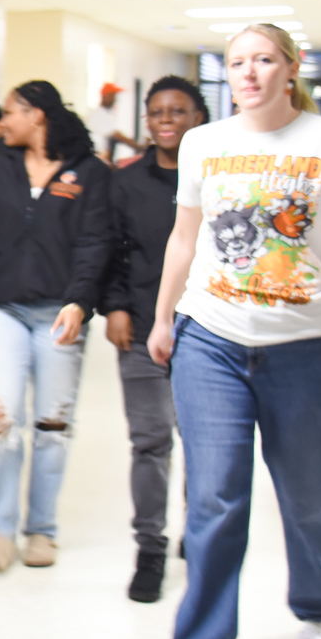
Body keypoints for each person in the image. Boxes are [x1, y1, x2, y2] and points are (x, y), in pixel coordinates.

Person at [147, 24, 321, 639]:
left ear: (290, 69)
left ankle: (316, 600)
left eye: (262, 60)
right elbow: (184, 237)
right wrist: (164, 316)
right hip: (212, 338)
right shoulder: (204, 143)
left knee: (310, 497)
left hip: (307, 342)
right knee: (216, 499)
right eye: (236, 63)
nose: (248, 72)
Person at [0, 81, 112, 572]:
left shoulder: (89, 173)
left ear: (37, 115)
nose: (2, 122)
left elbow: (95, 244)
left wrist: (81, 302)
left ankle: (41, 529)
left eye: (11, 112)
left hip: (61, 312)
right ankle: (0, 529)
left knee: (53, 426)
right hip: (3, 311)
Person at [101, 76, 208, 602]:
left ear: (198, 118)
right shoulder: (126, 182)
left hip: (208, 331)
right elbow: (110, 248)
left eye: (178, 110)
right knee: (150, 443)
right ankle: (150, 548)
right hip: (142, 328)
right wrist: (114, 306)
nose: (166, 119)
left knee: (202, 442)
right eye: (157, 112)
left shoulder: (216, 176)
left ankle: (199, 531)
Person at [86, 82, 142, 164]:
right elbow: (118, 136)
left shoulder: (106, 114)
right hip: (97, 157)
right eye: (113, 96)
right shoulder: (99, 114)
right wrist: (139, 147)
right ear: (105, 96)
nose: (115, 99)